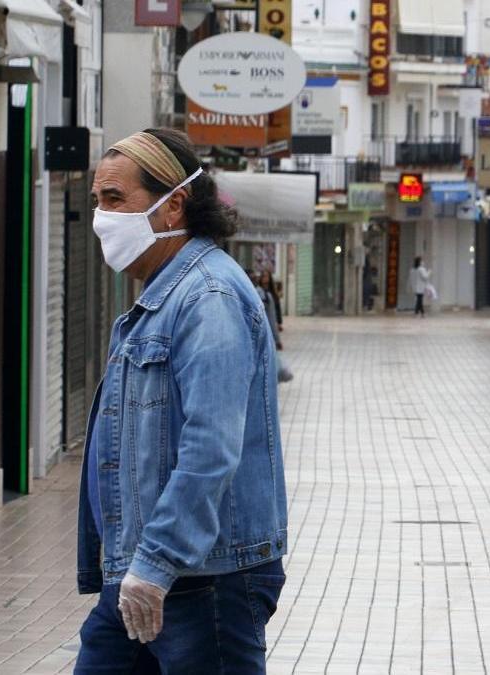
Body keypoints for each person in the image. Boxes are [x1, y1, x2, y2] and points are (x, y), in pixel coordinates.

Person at [77, 128, 288, 673]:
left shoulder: (207, 298)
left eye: (115, 200)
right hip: (144, 572)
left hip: (201, 580)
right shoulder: (159, 298)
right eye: (98, 200)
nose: (101, 216)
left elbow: (211, 448)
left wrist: (156, 563)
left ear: (173, 207)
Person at [252, 271, 294, 383]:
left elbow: (274, 314)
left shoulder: (268, 294)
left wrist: (278, 325)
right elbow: (271, 317)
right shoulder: (261, 294)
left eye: (266, 277)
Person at [259, 269, 283, 335]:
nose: (265, 278)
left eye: (266, 276)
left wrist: (279, 322)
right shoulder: (258, 291)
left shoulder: (272, 293)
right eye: (263, 276)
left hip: (272, 320)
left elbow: (277, 308)